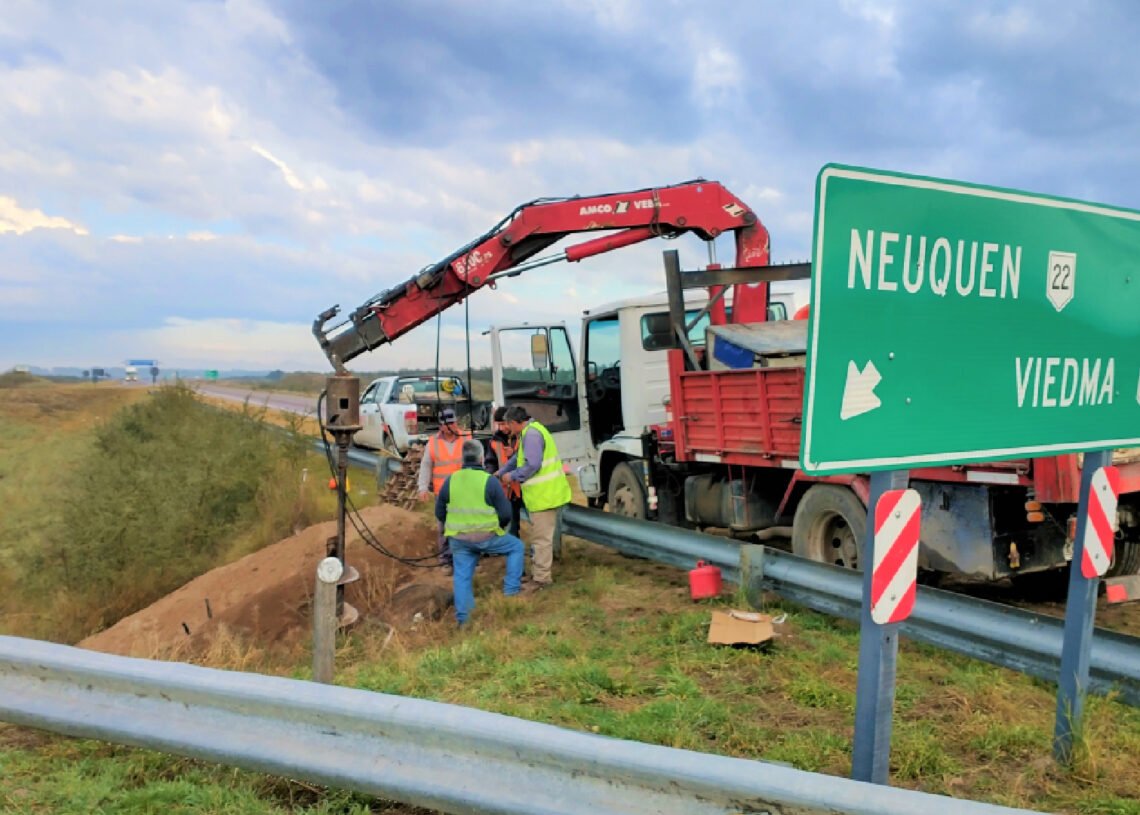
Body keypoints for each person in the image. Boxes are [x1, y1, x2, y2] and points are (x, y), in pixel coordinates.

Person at [435, 439, 525, 626]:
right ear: (481, 458)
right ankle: (511, 592)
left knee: (462, 576)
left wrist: (455, 527)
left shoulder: (451, 480)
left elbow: (439, 513)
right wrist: (497, 528)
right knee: (516, 547)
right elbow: (506, 514)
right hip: (487, 536)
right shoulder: (489, 481)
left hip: (459, 539)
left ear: (462, 458)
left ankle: (464, 620)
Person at [496, 405, 572, 590]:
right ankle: (538, 574)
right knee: (539, 538)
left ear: (515, 423)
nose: (508, 429)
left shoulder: (531, 435)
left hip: (544, 496)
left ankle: (541, 580)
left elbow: (532, 465)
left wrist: (511, 477)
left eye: (508, 425)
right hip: (542, 496)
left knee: (541, 540)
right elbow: (517, 458)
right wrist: (502, 471)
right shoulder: (530, 431)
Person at [419, 408, 471, 571]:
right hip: (443, 494)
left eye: (453, 422)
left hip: (464, 493)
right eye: (448, 424)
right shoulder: (433, 443)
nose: (452, 426)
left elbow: (478, 463)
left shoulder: (467, 439)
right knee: (444, 527)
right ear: (441, 426)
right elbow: (426, 466)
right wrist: (422, 488)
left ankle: (467, 558)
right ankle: (446, 559)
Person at [483, 405, 523, 537]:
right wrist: (492, 478)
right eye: (498, 425)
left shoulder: (521, 437)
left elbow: (525, 461)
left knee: (515, 524)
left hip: (521, 488)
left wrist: (513, 454)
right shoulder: (494, 441)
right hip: (504, 491)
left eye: (503, 424)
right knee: (506, 522)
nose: (501, 428)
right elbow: (490, 463)